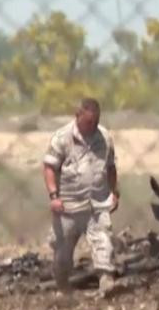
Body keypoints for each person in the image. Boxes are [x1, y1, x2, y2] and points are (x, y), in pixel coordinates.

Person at [42, 97, 121, 297]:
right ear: (77, 116)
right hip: (68, 205)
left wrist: (114, 192)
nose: (92, 126)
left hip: (97, 203)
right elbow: (49, 167)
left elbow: (110, 167)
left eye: (95, 122)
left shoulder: (104, 137)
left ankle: (106, 282)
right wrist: (54, 196)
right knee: (63, 251)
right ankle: (62, 285)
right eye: (88, 122)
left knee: (104, 241)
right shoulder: (62, 137)